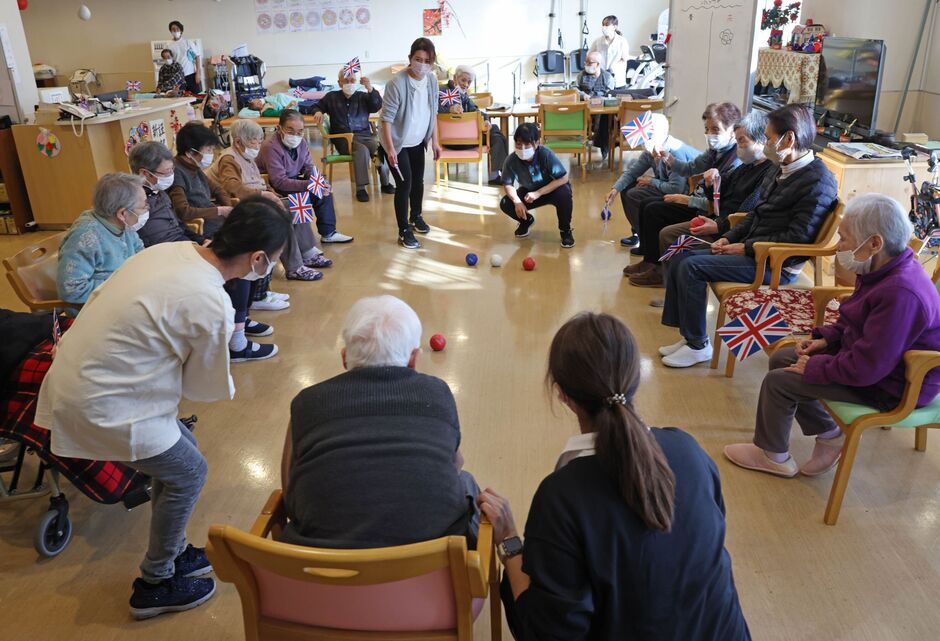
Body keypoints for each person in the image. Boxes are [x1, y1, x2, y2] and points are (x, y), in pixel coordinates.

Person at [34, 199, 292, 620]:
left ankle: (170, 551)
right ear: (258, 258)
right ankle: (155, 583)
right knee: (189, 471)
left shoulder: (169, 251)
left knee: (182, 453)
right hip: (103, 398)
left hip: (80, 373)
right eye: (275, 261)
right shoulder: (210, 299)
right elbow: (203, 385)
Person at [478, 312, 751, 640]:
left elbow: (547, 632)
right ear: (636, 375)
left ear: (562, 394)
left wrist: (509, 541)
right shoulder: (688, 449)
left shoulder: (561, 497)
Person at [725, 194, 940, 477]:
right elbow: (855, 319)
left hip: (894, 386)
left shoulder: (901, 294)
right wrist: (826, 339)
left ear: (875, 243)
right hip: (876, 365)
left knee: (780, 382)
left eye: (845, 239)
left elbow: (868, 368)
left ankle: (773, 456)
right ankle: (829, 433)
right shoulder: (881, 267)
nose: (839, 247)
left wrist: (816, 366)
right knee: (784, 357)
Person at [280, 295, 480, 548]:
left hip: (321, 573)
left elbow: (289, 494)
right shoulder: (437, 393)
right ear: (413, 359)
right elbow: (455, 465)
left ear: (344, 357)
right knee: (467, 481)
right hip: (428, 573)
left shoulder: (306, 403)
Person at [658, 104, 838, 368]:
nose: (765, 144)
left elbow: (798, 240)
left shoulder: (818, 181)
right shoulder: (781, 167)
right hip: (755, 249)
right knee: (681, 253)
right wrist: (729, 238)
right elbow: (755, 213)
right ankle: (689, 336)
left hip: (775, 262)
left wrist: (745, 248)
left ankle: (698, 345)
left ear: (788, 139)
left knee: (691, 266)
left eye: (768, 138)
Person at [130, 141, 280, 361]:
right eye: (167, 171)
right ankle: (236, 343)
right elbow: (150, 241)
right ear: (145, 173)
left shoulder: (158, 192)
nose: (172, 175)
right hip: (165, 257)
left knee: (244, 253)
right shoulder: (135, 201)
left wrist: (202, 241)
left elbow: (179, 226)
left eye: (172, 170)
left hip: (183, 246)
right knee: (235, 266)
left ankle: (238, 319)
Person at [647, 111, 776, 308]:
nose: (739, 146)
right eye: (707, 130)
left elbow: (747, 212)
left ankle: (679, 300)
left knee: (681, 252)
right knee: (665, 231)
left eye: (742, 141)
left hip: (729, 231)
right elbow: (717, 195)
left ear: (761, 140)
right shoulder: (744, 166)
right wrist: (711, 182)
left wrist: (718, 226)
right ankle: (672, 293)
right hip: (718, 220)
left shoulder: (766, 171)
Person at [626, 102, 743, 288]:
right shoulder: (715, 152)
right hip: (697, 201)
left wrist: (687, 200)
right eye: (707, 129)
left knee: (653, 210)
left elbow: (720, 206)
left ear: (732, 130)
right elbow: (689, 168)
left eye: (716, 129)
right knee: (647, 205)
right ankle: (651, 261)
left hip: (706, 211)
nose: (710, 134)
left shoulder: (735, 161)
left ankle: (657, 271)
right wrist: (668, 158)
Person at [258, 109, 353, 281]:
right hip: (274, 187)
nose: (296, 135)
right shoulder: (270, 147)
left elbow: (309, 166)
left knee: (323, 191)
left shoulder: (301, 143)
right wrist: (308, 185)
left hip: (293, 182)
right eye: (290, 130)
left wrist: (319, 182)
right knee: (300, 200)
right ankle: (306, 251)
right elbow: (279, 181)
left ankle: (328, 233)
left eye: (300, 131)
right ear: (279, 128)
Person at [380, 37, 443, 250]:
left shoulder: (432, 80)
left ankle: (416, 216)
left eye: (427, 61)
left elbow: (433, 111)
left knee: (418, 181)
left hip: (418, 141)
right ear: (410, 58)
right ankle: (403, 230)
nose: (422, 64)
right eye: (418, 59)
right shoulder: (396, 83)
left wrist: (435, 141)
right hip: (397, 144)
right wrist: (390, 149)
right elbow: (386, 119)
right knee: (404, 185)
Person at [603, 113, 699, 250]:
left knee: (634, 194)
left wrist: (651, 182)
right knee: (626, 188)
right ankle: (641, 234)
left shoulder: (674, 152)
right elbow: (632, 172)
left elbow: (677, 189)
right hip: (668, 185)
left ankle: (649, 241)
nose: (644, 143)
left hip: (686, 193)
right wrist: (615, 189)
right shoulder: (652, 150)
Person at [57, 173, 146, 306]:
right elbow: (72, 290)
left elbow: (141, 255)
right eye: (144, 206)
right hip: (97, 308)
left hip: (126, 296)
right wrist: (125, 286)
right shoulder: (86, 238)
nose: (147, 210)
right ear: (122, 213)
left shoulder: (125, 226)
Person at [311, 68, 393, 202]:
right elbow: (316, 106)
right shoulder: (331, 97)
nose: (349, 83)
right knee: (361, 150)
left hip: (365, 135)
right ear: (339, 83)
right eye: (346, 80)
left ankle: (385, 183)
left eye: (352, 80)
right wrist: (318, 111)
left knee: (379, 148)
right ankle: (361, 188)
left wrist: (369, 88)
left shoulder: (363, 96)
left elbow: (376, 106)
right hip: (343, 138)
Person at [499, 123, 574, 248]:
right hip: (530, 191)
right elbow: (508, 184)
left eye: (527, 144)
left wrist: (538, 193)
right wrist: (517, 201)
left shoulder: (546, 155)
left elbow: (563, 177)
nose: (522, 148)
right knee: (506, 203)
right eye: (518, 143)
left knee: (564, 194)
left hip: (551, 189)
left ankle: (565, 231)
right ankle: (526, 221)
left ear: (536, 143)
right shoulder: (511, 160)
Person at [439, 65, 509, 185]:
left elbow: (476, 111)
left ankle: (503, 172)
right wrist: (449, 109)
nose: (466, 85)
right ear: (455, 78)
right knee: (497, 134)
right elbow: (432, 109)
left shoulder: (463, 95)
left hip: (459, 139)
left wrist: (486, 120)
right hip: (454, 141)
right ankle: (498, 174)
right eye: (463, 80)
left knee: (495, 131)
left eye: (469, 82)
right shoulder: (441, 91)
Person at [168, 122, 233, 239]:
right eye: (208, 150)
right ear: (189, 153)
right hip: (204, 231)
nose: (211, 154)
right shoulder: (176, 173)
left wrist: (228, 209)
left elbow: (218, 189)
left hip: (218, 224)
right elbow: (183, 211)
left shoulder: (194, 167)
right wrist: (219, 211)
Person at [576, 51, 615, 160]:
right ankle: (594, 137)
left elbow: (611, 94)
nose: (586, 65)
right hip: (585, 109)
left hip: (602, 111)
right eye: (586, 62)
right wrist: (583, 95)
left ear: (598, 64)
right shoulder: (581, 75)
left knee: (606, 117)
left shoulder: (607, 77)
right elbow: (573, 88)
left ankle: (601, 141)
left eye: (589, 62)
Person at [588, 15, 629, 89]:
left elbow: (624, 59)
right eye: (603, 25)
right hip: (600, 79)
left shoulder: (622, 41)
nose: (604, 27)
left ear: (615, 27)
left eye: (607, 25)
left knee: (618, 99)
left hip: (618, 80)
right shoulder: (598, 41)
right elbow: (589, 55)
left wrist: (613, 67)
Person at [167, 21, 202, 94]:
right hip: (178, 77)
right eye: (173, 29)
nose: (175, 31)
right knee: (181, 99)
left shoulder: (188, 42)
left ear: (181, 30)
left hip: (191, 75)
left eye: (177, 29)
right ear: (171, 31)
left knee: (197, 98)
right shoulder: (168, 45)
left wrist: (198, 73)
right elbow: (169, 63)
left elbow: (197, 57)